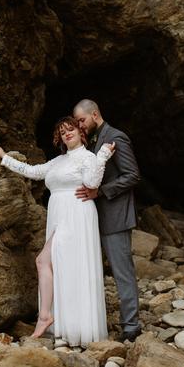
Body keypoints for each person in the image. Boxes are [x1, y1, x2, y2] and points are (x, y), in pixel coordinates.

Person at [0, 117, 115, 346]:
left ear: (81, 133)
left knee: (48, 262)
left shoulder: (88, 157)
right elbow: (33, 171)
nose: (67, 134)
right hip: (59, 216)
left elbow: (91, 182)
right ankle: (53, 319)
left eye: (71, 130)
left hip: (77, 214)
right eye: (62, 131)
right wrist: (5, 158)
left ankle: (52, 318)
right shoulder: (58, 161)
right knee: (55, 265)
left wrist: (102, 157)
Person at [73, 99, 142, 342]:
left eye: (82, 120)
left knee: (122, 272)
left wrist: (100, 192)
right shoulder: (90, 141)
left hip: (115, 216)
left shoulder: (116, 136)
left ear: (95, 114)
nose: (80, 125)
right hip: (94, 217)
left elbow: (132, 175)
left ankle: (131, 326)